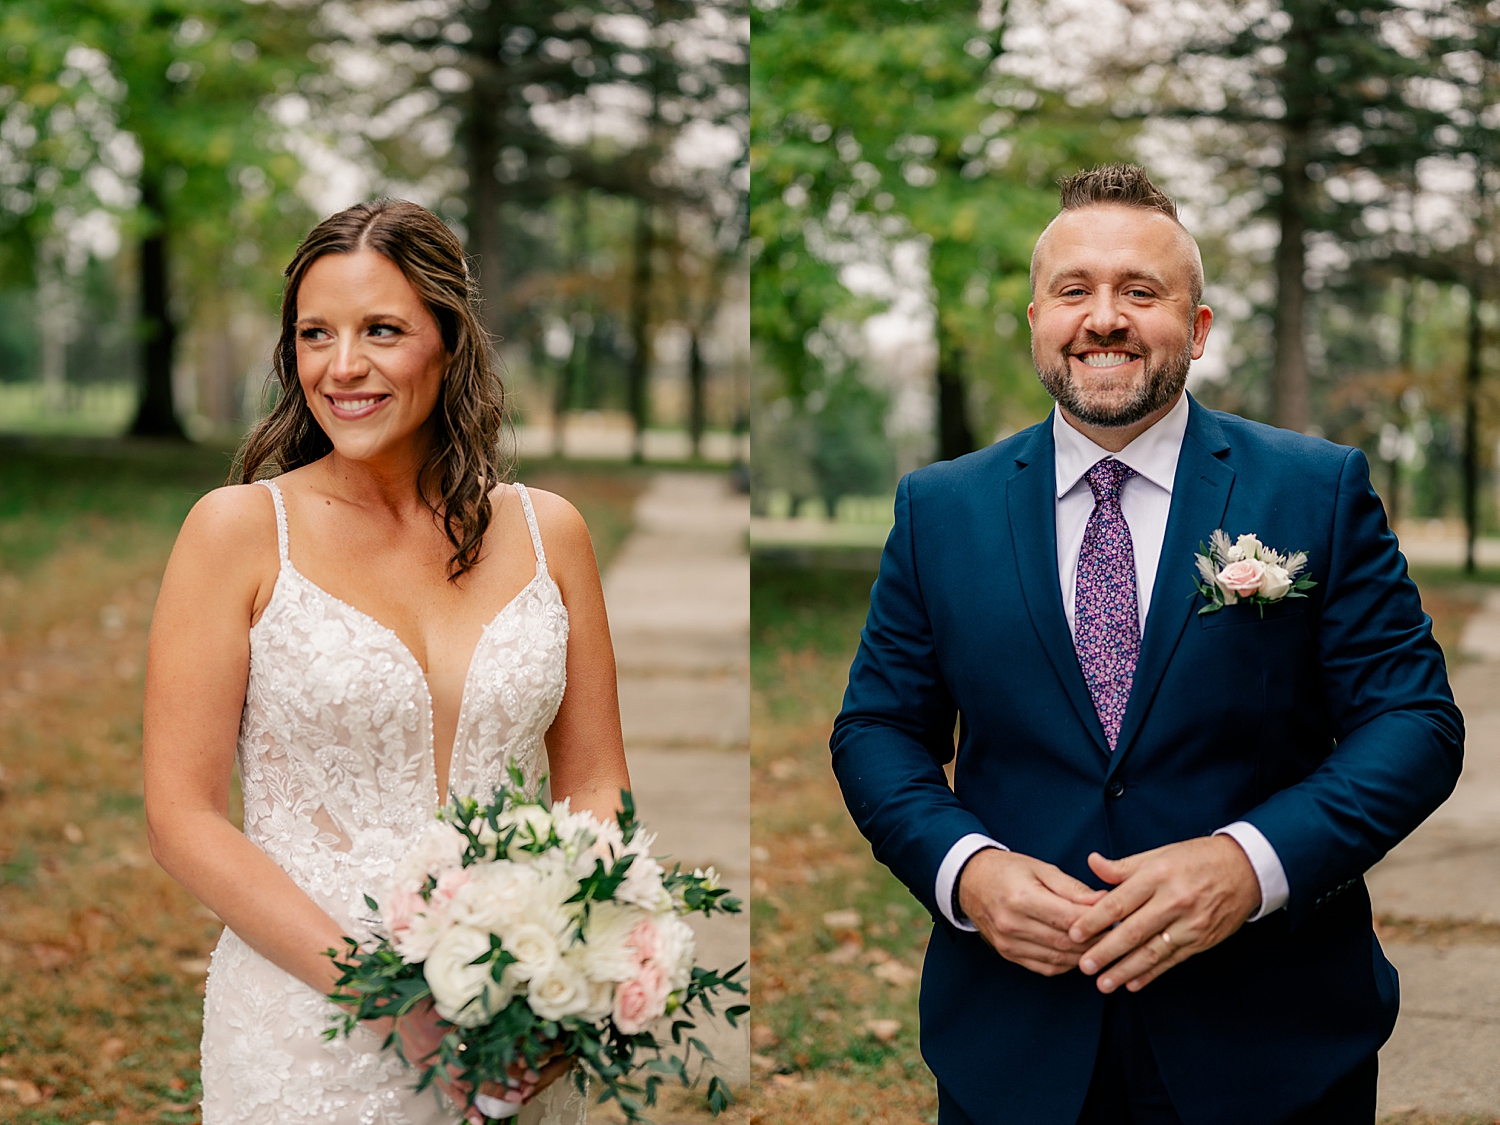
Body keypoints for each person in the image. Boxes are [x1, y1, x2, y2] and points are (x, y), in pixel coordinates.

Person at [830, 165, 1463, 1125]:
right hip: (1014, 1043)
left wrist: (1251, 863)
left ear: (1198, 329)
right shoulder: (938, 509)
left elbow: (1415, 722)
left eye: (1141, 291)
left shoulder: (1315, 489)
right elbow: (878, 727)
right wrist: (966, 869)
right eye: (1076, 290)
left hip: (1270, 1040)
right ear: (1037, 320)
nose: (1106, 318)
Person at [143, 200, 630, 1125]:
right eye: (315, 334)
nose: (343, 365)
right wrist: (395, 1002)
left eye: (382, 330)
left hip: (516, 1022)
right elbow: (182, 819)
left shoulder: (548, 532)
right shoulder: (239, 533)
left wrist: (569, 950)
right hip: (309, 1026)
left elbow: (597, 779)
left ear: (448, 341)